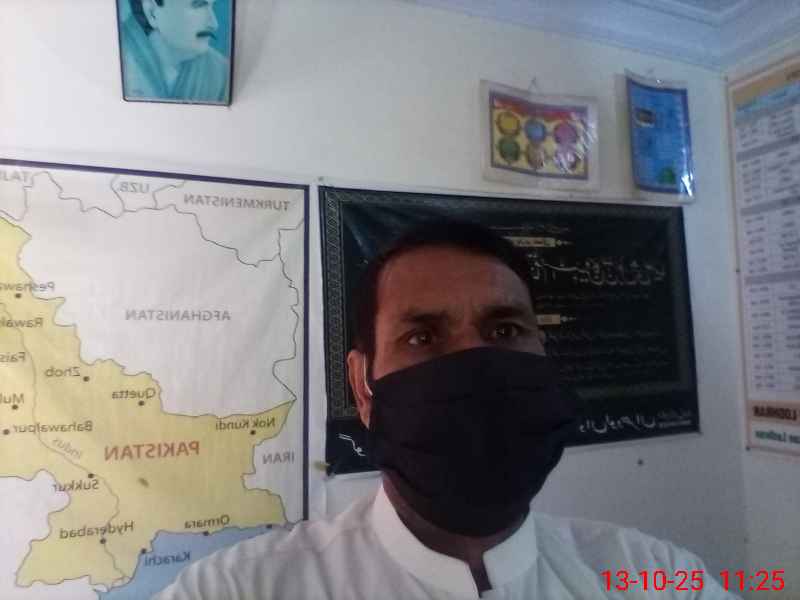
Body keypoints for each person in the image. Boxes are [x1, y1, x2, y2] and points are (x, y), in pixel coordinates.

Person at [155, 220, 737, 599]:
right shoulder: (240, 588)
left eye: (504, 330)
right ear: (362, 386)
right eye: (423, 338)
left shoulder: (656, 578)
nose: (476, 367)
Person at [120, 0, 230, 103]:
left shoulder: (220, 72)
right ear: (152, 12)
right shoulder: (120, 62)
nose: (214, 23)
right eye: (199, 5)